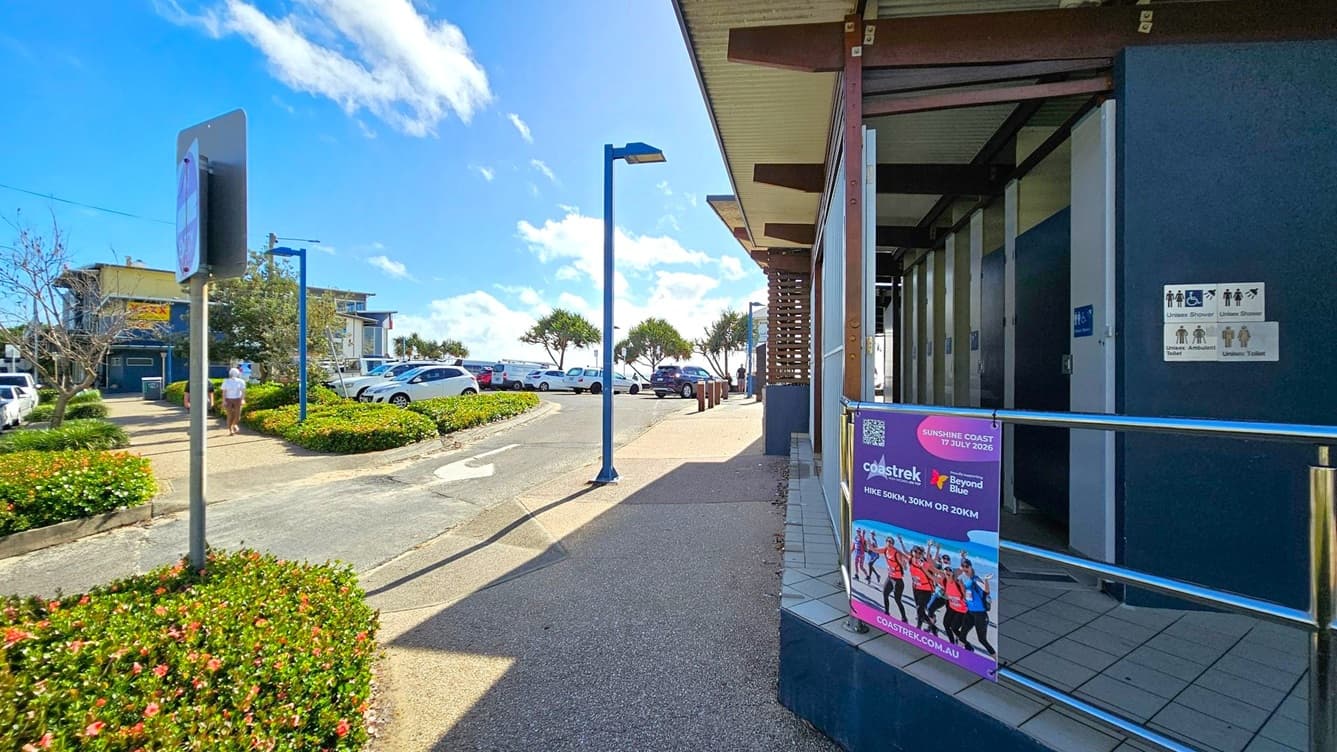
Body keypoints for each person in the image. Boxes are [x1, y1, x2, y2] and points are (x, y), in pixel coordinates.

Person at [956, 560, 996, 656]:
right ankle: (958, 653)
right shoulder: (967, 580)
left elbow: (986, 590)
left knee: (982, 639)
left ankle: (995, 658)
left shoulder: (975, 579)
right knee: (962, 634)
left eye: (966, 567)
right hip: (970, 612)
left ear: (970, 567)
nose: (965, 568)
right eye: (963, 566)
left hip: (980, 614)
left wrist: (986, 580)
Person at [221, 367, 247, 435]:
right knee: (230, 415)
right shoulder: (226, 381)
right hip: (228, 399)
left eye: (235, 373)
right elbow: (224, 392)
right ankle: (230, 429)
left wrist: (243, 399)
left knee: (238, 415)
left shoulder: (241, 381)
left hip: (238, 399)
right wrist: (224, 401)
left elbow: (243, 391)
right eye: (233, 373)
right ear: (230, 374)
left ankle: (234, 424)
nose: (234, 374)